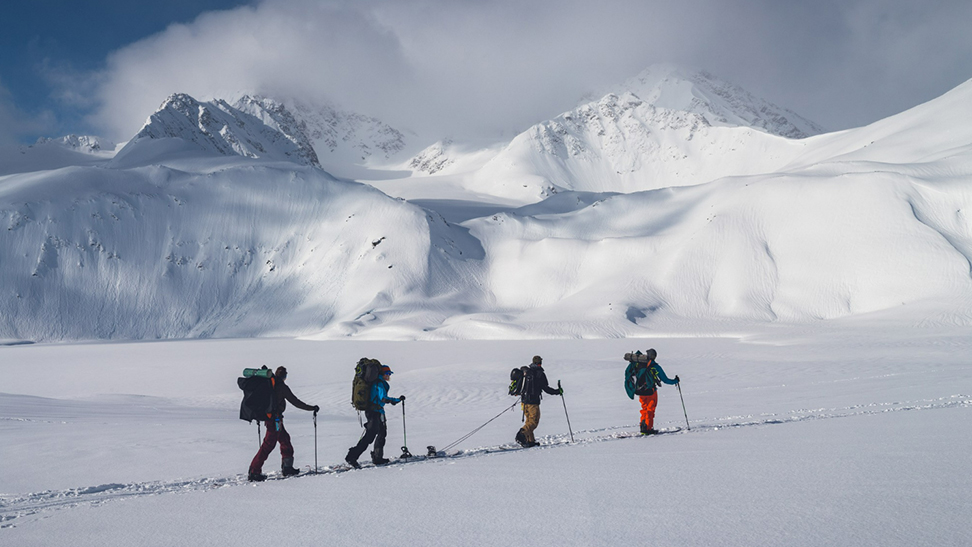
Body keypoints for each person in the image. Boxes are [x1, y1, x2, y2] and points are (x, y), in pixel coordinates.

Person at [248, 366, 320, 481]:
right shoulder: (281, 387)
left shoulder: (270, 384)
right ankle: (254, 471)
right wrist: (311, 408)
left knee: (285, 440)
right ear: (284, 376)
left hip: (274, 419)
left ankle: (287, 467)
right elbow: (296, 402)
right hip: (274, 420)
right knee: (268, 445)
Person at [345, 365, 404, 468]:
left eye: (389, 374)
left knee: (382, 433)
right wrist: (396, 400)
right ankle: (352, 457)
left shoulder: (379, 383)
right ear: (382, 374)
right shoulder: (379, 383)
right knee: (370, 436)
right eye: (387, 374)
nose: (388, 376)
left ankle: (378, 457)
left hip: (378, 411)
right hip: (374, 412)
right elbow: (383, 398)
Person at [624, 348, 679, 434]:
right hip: (650, 391)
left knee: (644, 408)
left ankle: (643, 426)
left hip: (640, 391)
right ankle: (648, 428)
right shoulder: (655, 366)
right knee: (650, 409)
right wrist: (675, 381)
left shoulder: (639, 364)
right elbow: (665, 380)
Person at [515, 355, 562, 447]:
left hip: (524, 402)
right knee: (533, 422)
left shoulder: (527, 372)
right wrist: (557, 391)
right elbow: (546, 388)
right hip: (533, 402)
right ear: (540, 363)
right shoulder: (539, 373)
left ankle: (530, 441)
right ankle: (521, 434)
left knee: (529, 420)